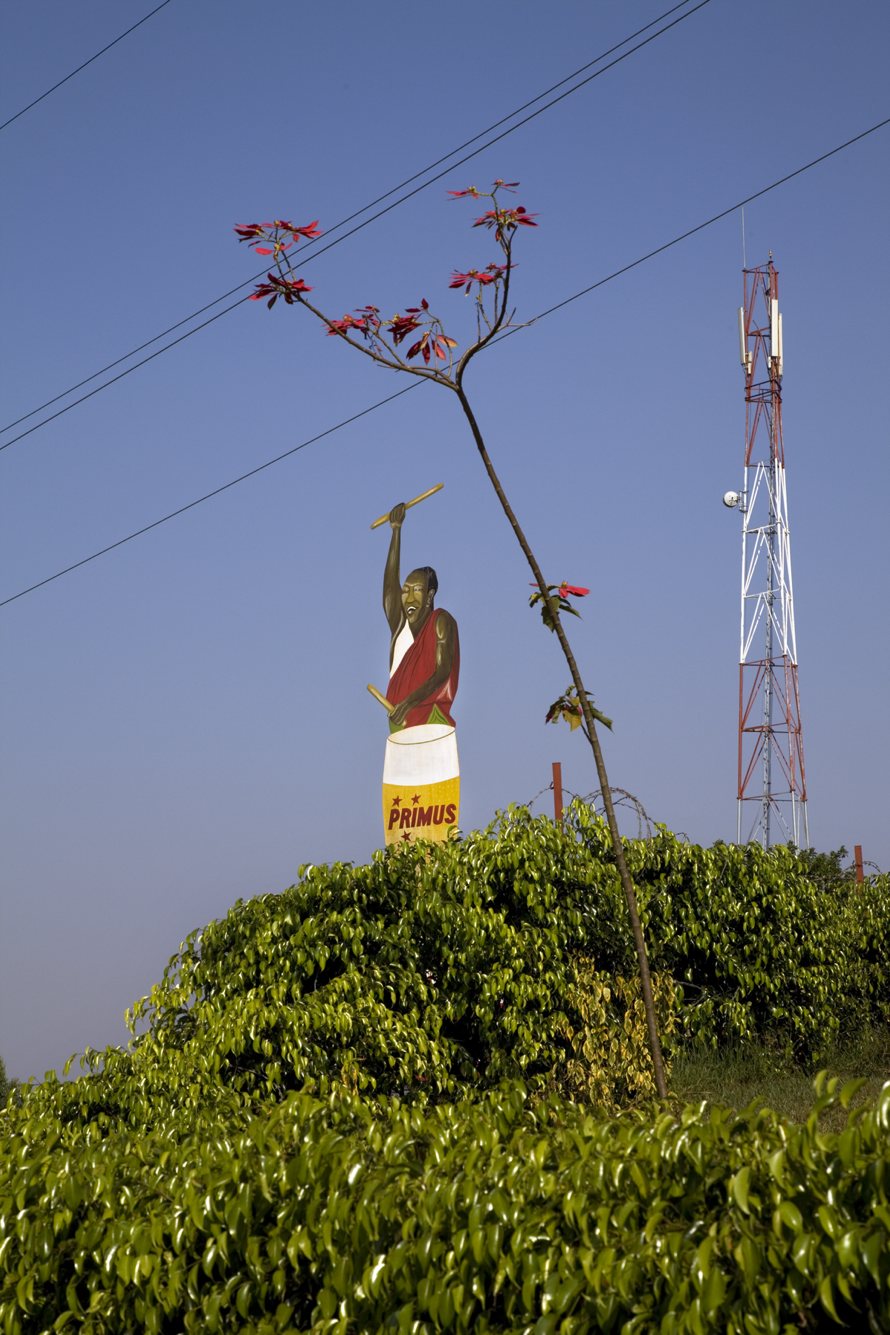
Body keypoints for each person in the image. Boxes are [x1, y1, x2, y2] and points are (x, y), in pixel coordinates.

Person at [383, 501, 459, 731]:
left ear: (429, 595)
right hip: (399, 723)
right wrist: (396, 530)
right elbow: (389, 590)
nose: (409, 599)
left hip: (431, 719)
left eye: (416, 591)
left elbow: (442, 670)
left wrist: (409, 703)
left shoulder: (441, 621)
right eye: (406, 591)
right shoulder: (401, 628)